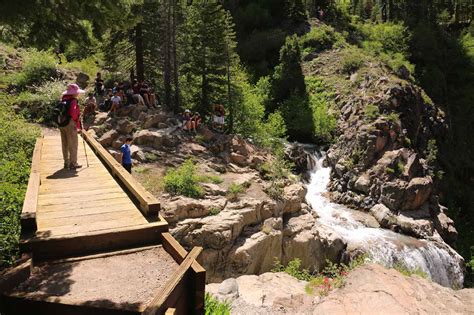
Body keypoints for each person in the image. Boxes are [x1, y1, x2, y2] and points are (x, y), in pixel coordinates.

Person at [60, 83, 84, 170]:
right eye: (77, 92)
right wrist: (77, 122)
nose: (78, 93)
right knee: (73, 143)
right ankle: (73, 163)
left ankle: (66, 162)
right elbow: (73, 114)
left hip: (62, 124)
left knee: (64, 143)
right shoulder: (73, 101)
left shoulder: (63, 99)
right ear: (73, 93)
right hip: (70, 124)